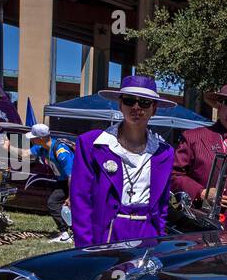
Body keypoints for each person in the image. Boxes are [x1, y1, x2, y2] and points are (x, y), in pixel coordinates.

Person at [70, 76, 175, 248]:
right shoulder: (92, 144)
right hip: (107, 233)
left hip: (148, 234)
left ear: (154, 109)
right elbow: (80, 200)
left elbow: (162, 206)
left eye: (144, 102)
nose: (136, 107)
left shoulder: (164, 153)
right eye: (129, 100)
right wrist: (85, 249)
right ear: (120, 104)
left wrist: (160, 239)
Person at [171, 82, 227, 211]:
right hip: (201, 222)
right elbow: (174, 175)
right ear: (218, 106)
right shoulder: (193, 137)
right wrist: (201, 192)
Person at [25, 123, 75, 242]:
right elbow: (24, 154)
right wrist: (7, 147)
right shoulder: (42, 148)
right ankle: (71, 232)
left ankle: (65, 234)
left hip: (74, 182)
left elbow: (71, 175)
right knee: (58, 204)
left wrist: (70, 197)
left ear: (41, 138)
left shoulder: (60, 151)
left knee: (53, 203)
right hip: (63, 181)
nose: (31, 139)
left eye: (33, 136)